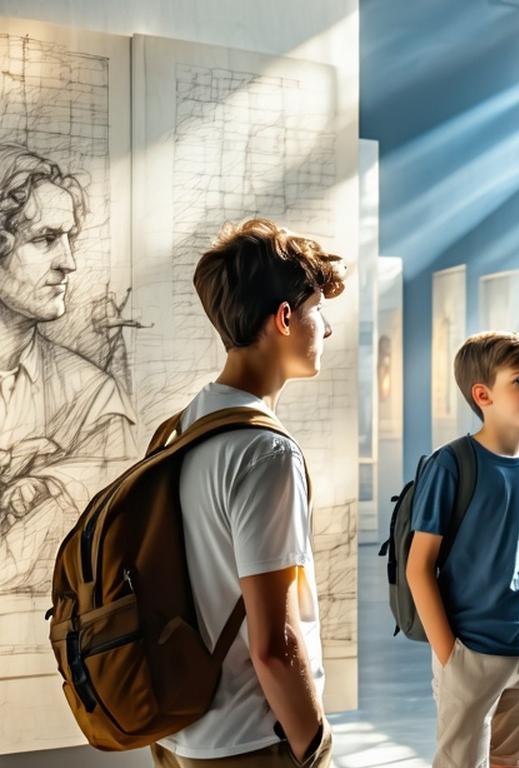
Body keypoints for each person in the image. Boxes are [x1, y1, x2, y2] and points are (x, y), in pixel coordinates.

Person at [150, 217, 343, 768]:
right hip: (253, 741)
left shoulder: (187, 424)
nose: (325, 330)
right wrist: (316, 749)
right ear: (284, 318)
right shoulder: (266, 453)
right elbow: (274, 645)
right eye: (316, 311)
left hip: (183, 733)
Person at [405, 330, 519, 768]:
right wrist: (450, 656)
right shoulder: (451, 464)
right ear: (482, 394)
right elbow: (420, 567)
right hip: (469, 652)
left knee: (515, 762)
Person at [0, 143, 136, 590]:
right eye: (44, 239)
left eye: (69, 238)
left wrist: (45, 484)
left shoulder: (95, 396)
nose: (68, 262)